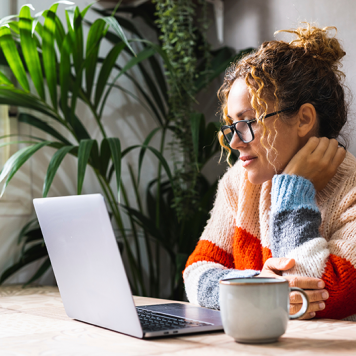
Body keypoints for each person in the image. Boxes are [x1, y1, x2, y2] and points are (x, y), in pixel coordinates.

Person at [183, 23, 356, 320]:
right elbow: (195, 273)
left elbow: (318, 298)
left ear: (303, 119)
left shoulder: (351, 190)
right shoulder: (239, 183)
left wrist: (294, 189)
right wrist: (259, 285)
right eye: (232, 126)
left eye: (249, 123)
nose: (235, 142)